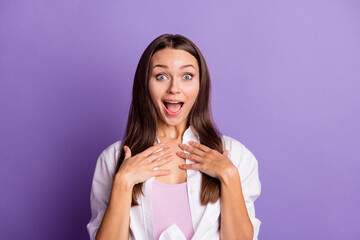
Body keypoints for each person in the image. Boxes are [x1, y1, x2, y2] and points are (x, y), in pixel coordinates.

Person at [87, 33, 261, 240]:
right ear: (145, 84)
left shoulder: (237, 156)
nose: (174, 89)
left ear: (200, 85)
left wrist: (229, 177)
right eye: (161, 76)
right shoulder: (113, 159)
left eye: (187, 76)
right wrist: (123, 182)